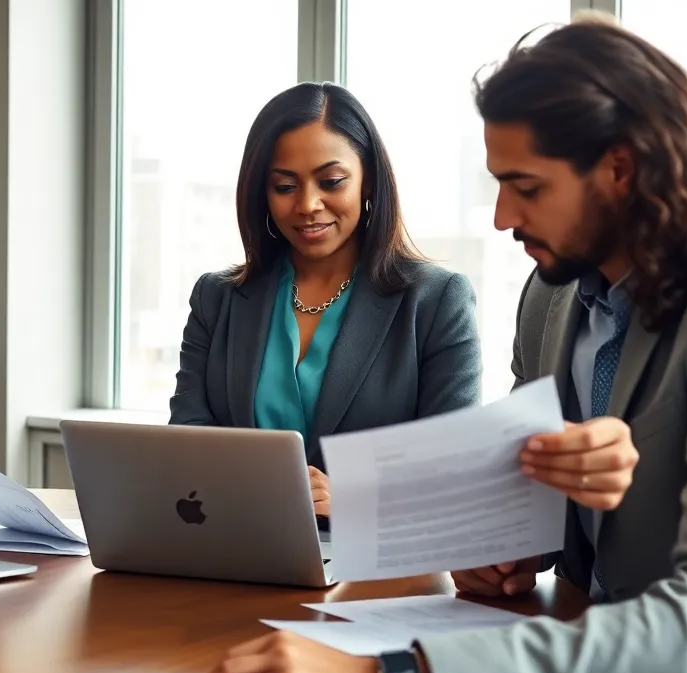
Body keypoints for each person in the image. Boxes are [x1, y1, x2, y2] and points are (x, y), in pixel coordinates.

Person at [180, 15, 687, 673]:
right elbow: (542, 514)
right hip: (595, 635)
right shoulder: (555, 295)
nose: (504, 217)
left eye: (525, 188)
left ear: (621, 171)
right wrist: (509, 547)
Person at [169, 82, 482, 520]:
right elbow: (187, 438)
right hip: (237, 550)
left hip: (375, 569)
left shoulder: (435, 300)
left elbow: (456, 470)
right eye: (284, 186)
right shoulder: (216, 298)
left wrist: (355, 499)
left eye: (331, 181)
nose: (308, 205)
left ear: (368, 178)